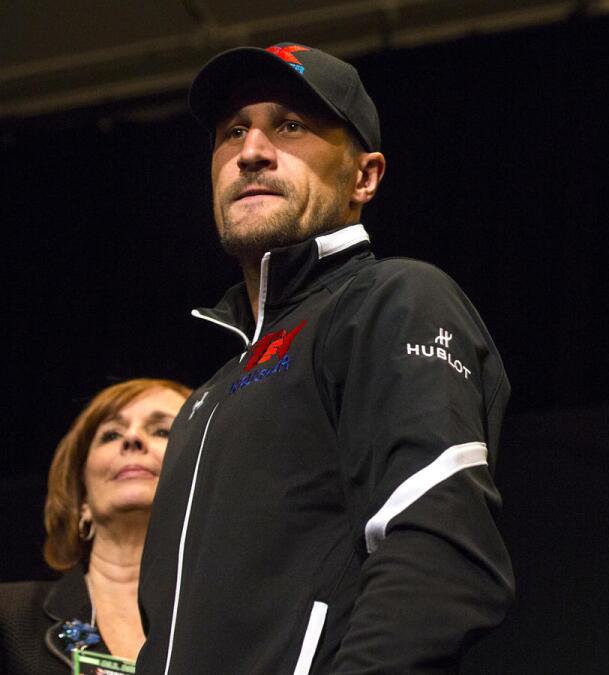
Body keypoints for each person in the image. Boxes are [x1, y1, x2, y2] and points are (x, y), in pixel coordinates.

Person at [135, 43, 513, 674]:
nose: (251, 151)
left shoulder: (392, 299)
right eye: (233, 131)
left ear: (364, 177)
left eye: (290, 125)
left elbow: (439, 555)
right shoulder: (206, 397)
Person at [0, 379, 190, 673]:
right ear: (83, 499)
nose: (132, 438)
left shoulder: (243, 627)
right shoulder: (10, 617)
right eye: (110, 435)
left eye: (163, 431)